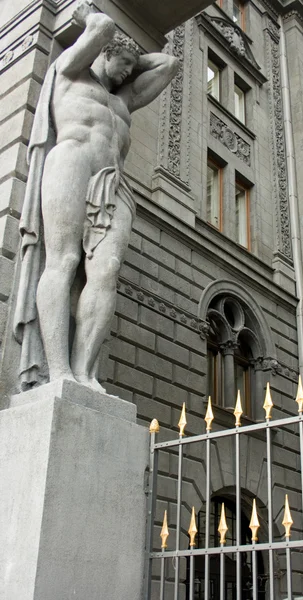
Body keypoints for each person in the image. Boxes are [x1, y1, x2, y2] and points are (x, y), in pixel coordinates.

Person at [13, 0, 179, 392]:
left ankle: (84, 372)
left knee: (106, 271)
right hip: (72, 160)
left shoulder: (124, 102)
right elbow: (103, 26)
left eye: (130, 70)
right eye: (123, 64)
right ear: (105, 54)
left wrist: (131, 58)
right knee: (64, 259)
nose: (128, 74)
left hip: (113, 182)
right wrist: (95, 25)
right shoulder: (70, 70)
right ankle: (58, 373)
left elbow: (169, 66)